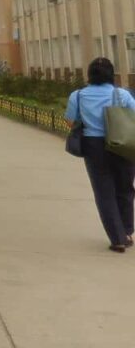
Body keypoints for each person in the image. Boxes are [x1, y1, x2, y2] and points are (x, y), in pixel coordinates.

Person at [65, 57, 135, 252]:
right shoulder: (121, 94)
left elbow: (70, 122)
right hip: (122, 144)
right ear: (111, 74)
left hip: (93, 147)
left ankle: (117, 238)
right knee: (125, 188)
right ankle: (127, 231)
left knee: (104, 193)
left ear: (90, 75)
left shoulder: (77, 96)